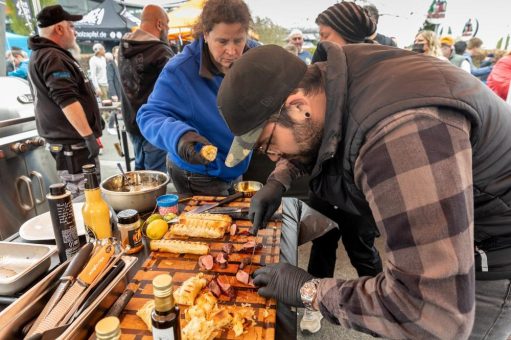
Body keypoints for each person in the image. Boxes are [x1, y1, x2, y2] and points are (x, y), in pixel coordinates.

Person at [217, 42, 511, 339]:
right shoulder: (328, 80)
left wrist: (311, 291)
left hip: (493, 250)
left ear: (297, 106)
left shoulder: (401, 136)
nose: (271, 156)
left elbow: (431, 314)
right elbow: (320, 134)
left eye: (267, 145)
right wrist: (277, 181)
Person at [288, 1, 382, 334]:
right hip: (325, 180)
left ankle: (386, 310)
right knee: (323, 243)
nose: (321, 42)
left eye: (327, 34)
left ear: (351, 36)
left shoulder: (379, 70)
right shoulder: (321, 60)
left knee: (363, 250)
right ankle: (314, 305)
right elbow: (307, 126)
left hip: (359, 186)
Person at [137, 0, 259, 195]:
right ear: (206, 35)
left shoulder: (254, 56)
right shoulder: (180, 70)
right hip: (197, 173)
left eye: (238, 40)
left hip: (236, 163)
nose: (232, 51)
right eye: (222, 41)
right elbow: (149, 115)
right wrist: (180, 137)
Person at [28, 5, 102, 197]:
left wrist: (93, 129)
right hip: (72, 147)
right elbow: (66, 100)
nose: (74, 32)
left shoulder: (47, 54)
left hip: (72, 144)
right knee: (85, 197)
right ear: (59, 29)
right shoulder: (52, 57)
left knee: (88, 195)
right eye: (71, 26)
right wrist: (87, 135)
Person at [118, 4, 173, 173]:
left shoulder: (123, 46)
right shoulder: (161, 52)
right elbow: (176, 89)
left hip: (132, 122)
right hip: (155, 125)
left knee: (140, 176)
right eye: (167, 24)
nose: (168, 29)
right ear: (159, 24)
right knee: (155, 180)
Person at [105, 48, 122, 134]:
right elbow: (110, 80)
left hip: (123, 90)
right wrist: (113, 94)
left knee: (121, 108)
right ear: (114, 54)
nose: (119, 54)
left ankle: (115, 124)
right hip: (115, 90)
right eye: (117, 52)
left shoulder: (122, 63)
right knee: (115, 109)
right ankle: (110, 126)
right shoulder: (110, 65)